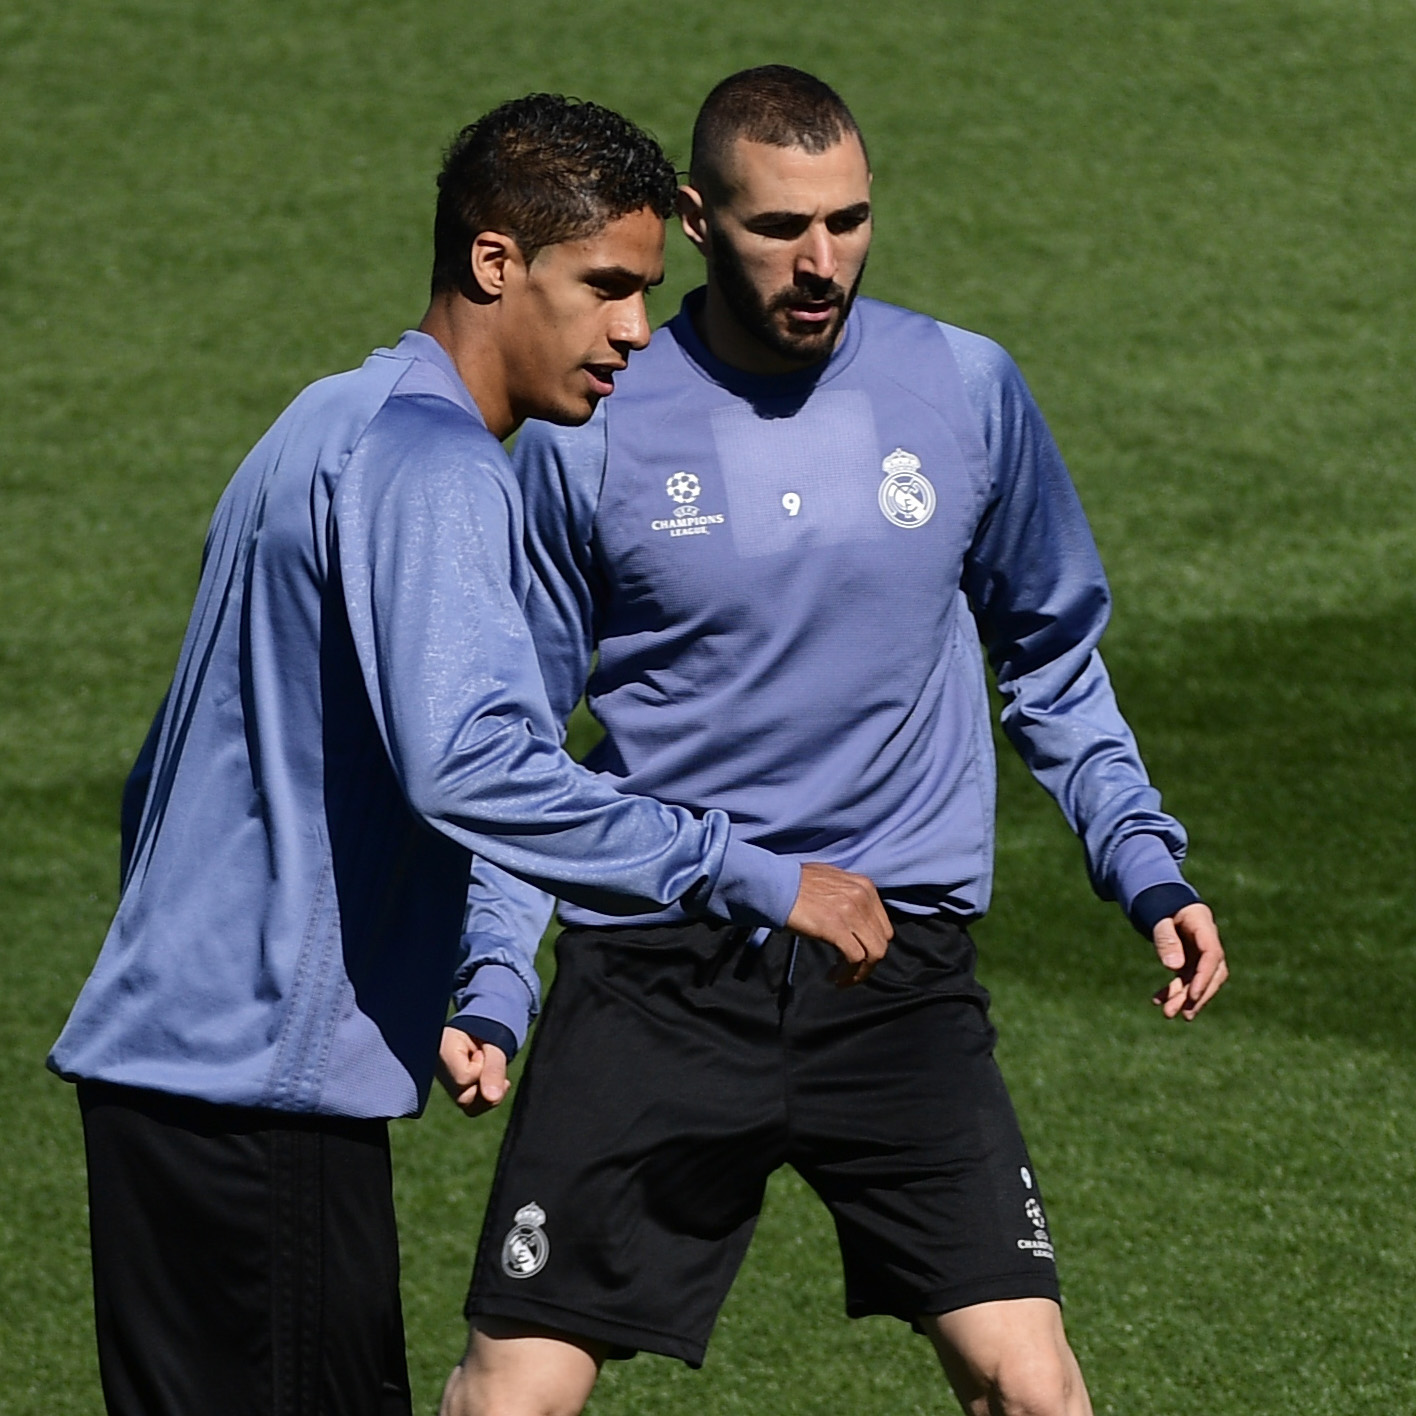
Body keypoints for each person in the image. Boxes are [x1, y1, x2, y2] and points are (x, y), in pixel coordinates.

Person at [48, 93, 893, 1416]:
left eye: (647, 290)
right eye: (605, 285)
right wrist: (757, 874)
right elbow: (479, 768)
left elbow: (166, 769)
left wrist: (461, 964)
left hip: (180, 1078)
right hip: (259, 1095)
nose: (632, 329)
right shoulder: (435, 466)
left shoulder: (327, 421)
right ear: (496, 262)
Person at [439, 66, 1227, 1416]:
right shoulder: (596, 427)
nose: (821, 263)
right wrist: (495, 976)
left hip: (895, 974)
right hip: (657, 970)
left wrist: (1144, 863)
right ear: (696, 218)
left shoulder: (966, 389)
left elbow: (1050, 653)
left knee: (1034, 1388)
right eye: (778, 229)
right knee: (513, 1394)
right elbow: (523, 743)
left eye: (848, 222)